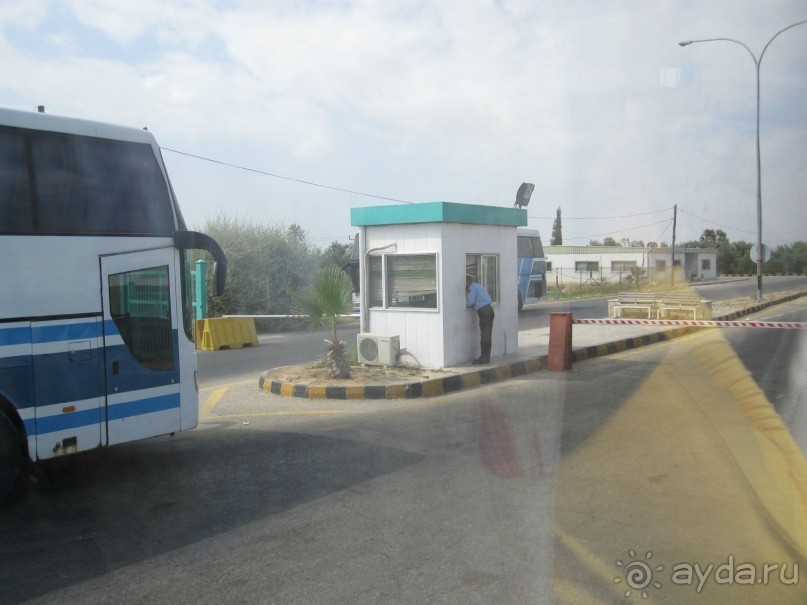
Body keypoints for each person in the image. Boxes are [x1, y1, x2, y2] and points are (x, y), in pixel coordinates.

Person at [466, 274, 494, 364]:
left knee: (484, 335)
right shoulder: (478, 286)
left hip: (484, 312)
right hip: (489, 310)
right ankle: (486, 358)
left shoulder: (471, 288)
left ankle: (484, 359)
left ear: (468, 282)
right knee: (487, 335)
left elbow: (470, 302)